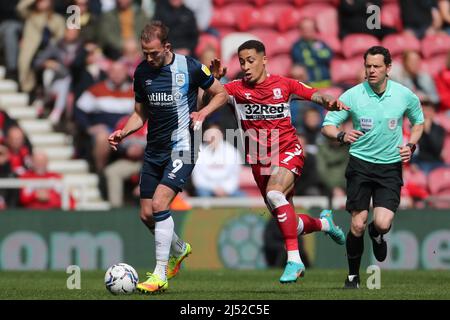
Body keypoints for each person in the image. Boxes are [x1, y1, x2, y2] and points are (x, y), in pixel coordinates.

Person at [207, 40, 347, 284]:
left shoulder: (284, 84)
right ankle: (325, 224)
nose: (246, 66)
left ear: (264, 60)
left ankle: (294, 260)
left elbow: (314, 94)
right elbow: (201, 103)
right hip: (259, 162)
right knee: (287, 219)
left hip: (288, 150)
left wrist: (329, 102)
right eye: (242, 62)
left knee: (274, 194)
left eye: (251, 60)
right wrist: (213, 83)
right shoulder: (234, 90)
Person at [108, 21, 228, 293]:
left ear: (167, 47)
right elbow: (140, 114)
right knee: (146, 215)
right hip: (155, 149)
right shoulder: (141, 72)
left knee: (161, 203)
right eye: (144, 53)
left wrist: (203, 113)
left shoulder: (191, 67)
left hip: (184, 145)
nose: (148, 58)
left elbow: (221, 93)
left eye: (153, 53)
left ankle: (160, 274)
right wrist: (123, 132)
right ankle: (179, 249)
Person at [321, 46, 424, 289]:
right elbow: (328, 124)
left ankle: (377, 234)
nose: (371, 71)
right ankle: (353, 277)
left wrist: (411, 144)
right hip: (360, 165)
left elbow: (418, 121)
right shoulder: (353, 95)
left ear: (388, 68)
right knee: (357, 223)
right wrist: (341, 136)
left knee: (382, 223)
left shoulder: (404, 94)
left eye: (377, 66)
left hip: (390, 167)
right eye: (368, 66)